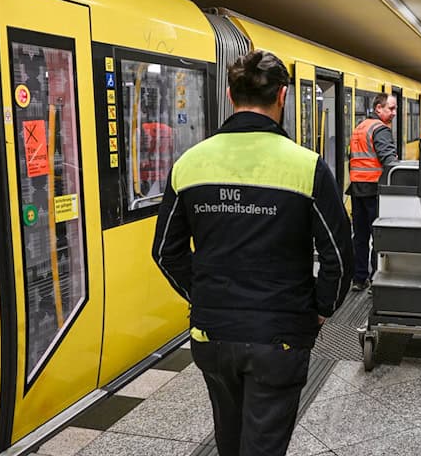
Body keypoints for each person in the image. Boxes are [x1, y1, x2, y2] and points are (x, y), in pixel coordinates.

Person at [151, 50, 353, 456]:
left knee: (229, 438)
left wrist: (204, 295)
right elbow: (340, 255)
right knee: (264, 444)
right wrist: (320, 308)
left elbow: (164, 252)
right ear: (282, 96)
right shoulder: (307, 166)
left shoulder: (189, 164)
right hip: (279, 336)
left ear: (230, 95)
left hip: (212, 336)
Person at [347, 93, 399, 291]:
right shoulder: (380, 129)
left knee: (360, 236)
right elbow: (388, 160)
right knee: (379, 236)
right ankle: (376, 279)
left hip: (357, 189)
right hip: (375, 191)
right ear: (379, 108)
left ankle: (359, 278)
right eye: (391, 109)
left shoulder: (360, 127)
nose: (394, 113)